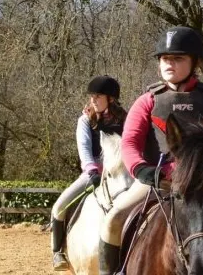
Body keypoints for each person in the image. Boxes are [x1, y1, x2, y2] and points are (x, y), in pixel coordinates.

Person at [98, 26, 203, 275]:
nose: (170, 64)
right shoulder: (148, 101)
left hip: (199, 182)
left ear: (194, 63)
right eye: (165, 59)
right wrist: (142, 170)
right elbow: (130, 143)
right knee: (113, 221)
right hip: (157, 180)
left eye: (178, 58)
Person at [51, 75, 127, 271]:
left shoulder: (126, 120)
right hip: (93, 173)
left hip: (123, 174)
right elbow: (84, 147)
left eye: (98, 96)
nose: (92, 100)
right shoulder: (85, 120)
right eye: (92, 96)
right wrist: (91, 168)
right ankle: (57, 251)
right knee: (59, 207)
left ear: (111, 98)